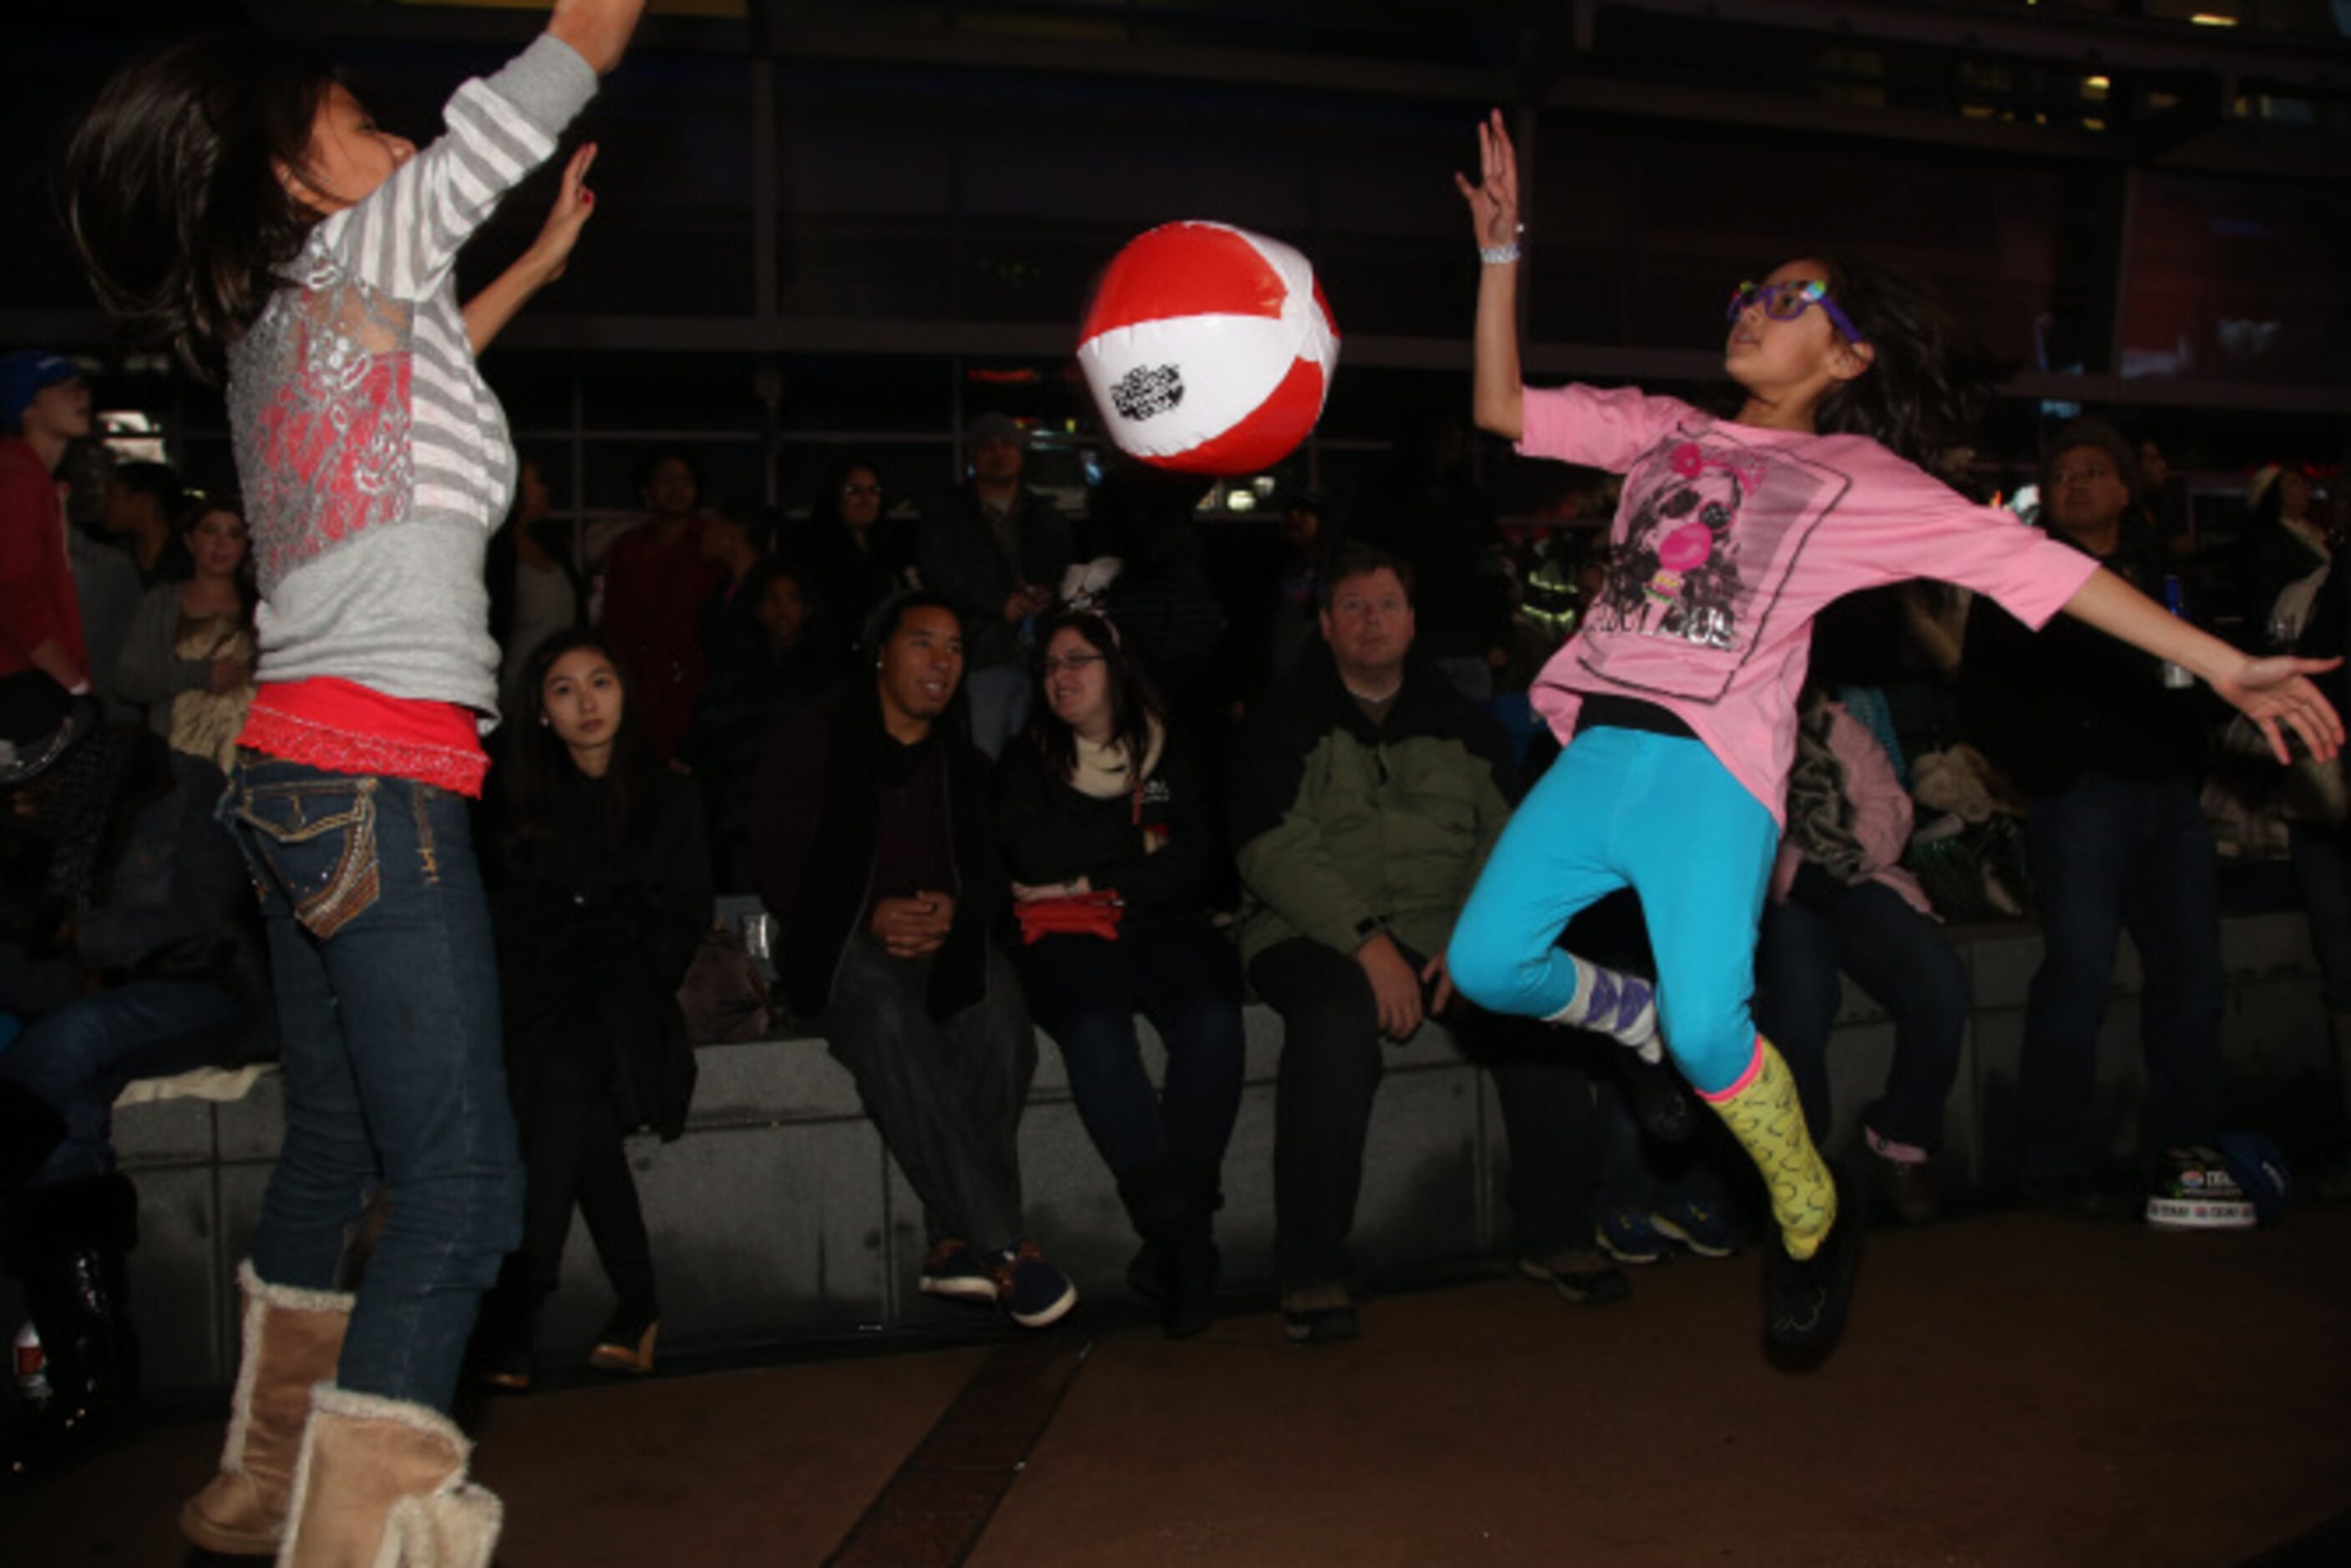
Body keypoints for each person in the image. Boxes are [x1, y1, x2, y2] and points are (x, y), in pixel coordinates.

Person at [1442, 113, 2342, 1367]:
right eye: (1747, 290)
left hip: (1709, 777)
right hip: (1595, 748)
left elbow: (2044, 571)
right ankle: (1630, 1019)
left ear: (1846, 354)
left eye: (1787, 296)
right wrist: (1499, 255)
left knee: (1716, 1033)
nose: (1751, 306)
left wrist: (2226, 662)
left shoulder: (1863, 481)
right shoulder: (1658, 427)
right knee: (1486, 966)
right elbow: (1498, 406)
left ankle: (1810, 1212)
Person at [63, 1, 643, 1555]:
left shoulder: (293, 327)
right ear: (289, 169)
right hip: (377, 780)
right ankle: (350, 1537)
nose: (389, 122)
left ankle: (261, 1477)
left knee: (334, 1142)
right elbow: (562, 57)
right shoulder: (369, 247)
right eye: (348, 110)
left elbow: (415, 386)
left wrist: (530, 270)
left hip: (288, 787)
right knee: (464, 1192)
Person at [1229, 544, 1625, 1345]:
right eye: (1351, 607)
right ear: (1327, 625)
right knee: (1335, 1025)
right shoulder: (1281, 721)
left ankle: (1554, 1232)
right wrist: (1367, 946)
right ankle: (1310, 1264)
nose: (1369, 621)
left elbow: (1507, 838)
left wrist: (1483, 938)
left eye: (1385, 606)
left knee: (1538, 1007)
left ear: (1412, 623)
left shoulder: (1464, 725)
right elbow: (1272, 848)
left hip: (1448, 924)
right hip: (1310, 931)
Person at [751, 592, 1077, 1329]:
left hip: (941, 940)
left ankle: (953, 1244)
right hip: (841, 946)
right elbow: (778, 859)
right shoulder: (813, 741)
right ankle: (1004, 1246)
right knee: (888, 1022)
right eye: (923, 643)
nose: (942, 663)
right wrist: (867, 915)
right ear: (880, 652)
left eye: (956, 648)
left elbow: (988, 869)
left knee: (999, 1017)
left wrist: (955, 914)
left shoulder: (961, 761)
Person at [1961, 423, 2235, 1220]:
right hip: (2080, 800)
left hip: (2168, 798)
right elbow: (1982, 696)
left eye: (2092, 471)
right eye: (2061, 474)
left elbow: (2208, 665)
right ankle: (2051, 1159)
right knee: (2078, 976)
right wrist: (2055, 761)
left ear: (2125, 487)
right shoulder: (2019, 577)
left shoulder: (2163, 569)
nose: (2074, 484)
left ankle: (2184, 1151)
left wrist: (2191, 756)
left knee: (2192, 980)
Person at [0, 679, 270, 1481]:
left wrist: (78, 934)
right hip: (74, 1012)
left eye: (31, 787)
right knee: (64, 1103)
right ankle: (92, 1382)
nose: (22, 804)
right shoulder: (15, 827)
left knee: (65, 1048)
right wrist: (52, 961)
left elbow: (207, 919)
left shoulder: (177, 784)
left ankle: (89, 1380)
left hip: (199, 988)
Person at [996, 609, 1244, 1338]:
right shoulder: (1027, 760)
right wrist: (1123, 849)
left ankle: (1172, 1243)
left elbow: (1183, 858)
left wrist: (1090, 871)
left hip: (1154, 918)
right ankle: (1184, 1247)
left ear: (1116, 669)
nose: (1061, 675)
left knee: (1211, 1018)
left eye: (1078, 660)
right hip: (1065, 937)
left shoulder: (1158, 758)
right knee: (1099, 1031)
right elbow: (1031, 854)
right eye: (1050, 665)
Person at [474, 632, 709, 1390]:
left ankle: (520, 1304)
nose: (586, 703)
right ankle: (636, 1304)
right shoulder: (513, 797)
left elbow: (678, 920)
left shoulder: (668, 793)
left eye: (600, 682)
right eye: (564, 689)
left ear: (624, 694)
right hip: (540, 1005)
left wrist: (602, 948)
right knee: (578, 1113)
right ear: (540, 712)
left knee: (566, 1075)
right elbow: (507, 921)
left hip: (626, 1006)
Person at [1751, 676, 1968, 1226]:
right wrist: (1793, 874)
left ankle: (1902, 1140)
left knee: (1937, 979)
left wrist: (1845, 861)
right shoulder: (1733, 725)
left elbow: (1888, 804)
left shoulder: (1835, 723)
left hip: (1858, 877)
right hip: (1773, 892)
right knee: (1802, 996)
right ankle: (1797, 1162)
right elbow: (1730, 823)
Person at [915, 412, 1072, 757]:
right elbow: (937, 574)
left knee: (1042, 761)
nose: (998, 453)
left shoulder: (1044, 514)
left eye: (1006, 445)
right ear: (973, 455)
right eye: (987, 446)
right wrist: (996, 603)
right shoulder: (948, 513)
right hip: (981, 657)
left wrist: (1049, 593)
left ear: (1020, 453)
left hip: (1042, 658)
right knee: (983, 760)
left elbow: (1065, 571)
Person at [689, 556, 842, 891]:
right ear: (756, 609)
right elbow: (710, 744)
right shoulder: (732, 674)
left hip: (809, 818)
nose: (783, 610)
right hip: (742, 817)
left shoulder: (830, 677)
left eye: (793, 600)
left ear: (809, 609)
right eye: (773, 599)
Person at [112, 491, 258, 772]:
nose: (221, 544)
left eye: (233, 534)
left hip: (246, 759)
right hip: (177, 760)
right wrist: (197, 673)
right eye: (210, 531)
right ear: (190, 541)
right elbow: (127, 682)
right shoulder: (162, 604)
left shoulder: (261, 609)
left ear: (245, 547)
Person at [600, 446, 722, 760]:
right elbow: (614, 621)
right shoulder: (628, 549)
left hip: (701, 680)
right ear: (647, 492)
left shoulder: (712, 542)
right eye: (667, 481)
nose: (677, 489)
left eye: (686, 481)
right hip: (642, 681)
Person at [0, 352, 94, 702]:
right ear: (26, 407)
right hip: (21, 683)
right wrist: (73, 684)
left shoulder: (33, 478)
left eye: (80, 385)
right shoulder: (17, 475)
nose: (80, 395)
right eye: (58, 386)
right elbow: (12, 593)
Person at [491, 457, 586, 711]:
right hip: (515, 685)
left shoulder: (551, 542)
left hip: (557, 677)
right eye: (535, 482)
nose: (545, 490)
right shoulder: (496, 551)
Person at [793, 453, 907, 640]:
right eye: (853, 491)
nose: (866, 500)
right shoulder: (817, 554)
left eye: (874, 491)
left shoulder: (887, 552)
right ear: (835, 496)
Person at [103, 460, 194, 587]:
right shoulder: (114, 558)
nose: (106, 504)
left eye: (112, 495)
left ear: (144, 500)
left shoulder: (192, 561)